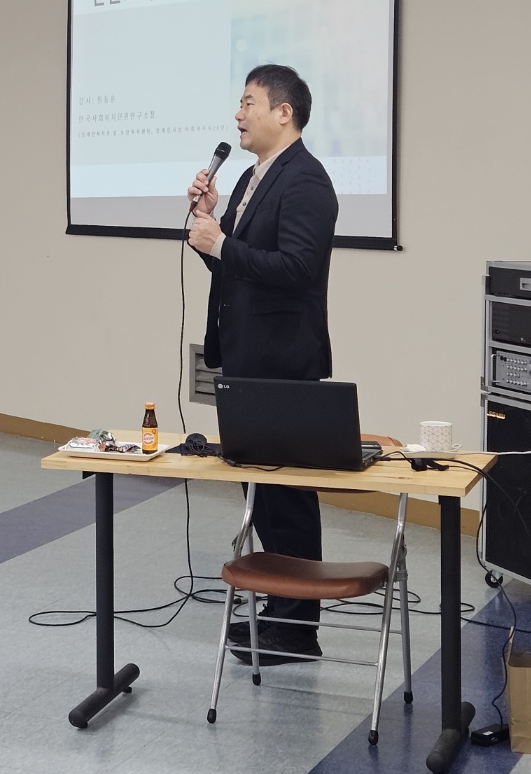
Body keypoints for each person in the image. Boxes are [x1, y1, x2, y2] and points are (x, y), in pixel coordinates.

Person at [186, 64, 338, 664]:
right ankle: (279, 611)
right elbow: (237, 268)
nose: (238, 114)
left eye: (249, 102)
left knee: (287, 497)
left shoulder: (306, 181)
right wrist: (210, 228)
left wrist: (223, 243)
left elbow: (298, 269)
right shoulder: (254, 177)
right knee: (263, 493)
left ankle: (298, 630)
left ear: (284, 112)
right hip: (249, 360)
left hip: (282, 364)